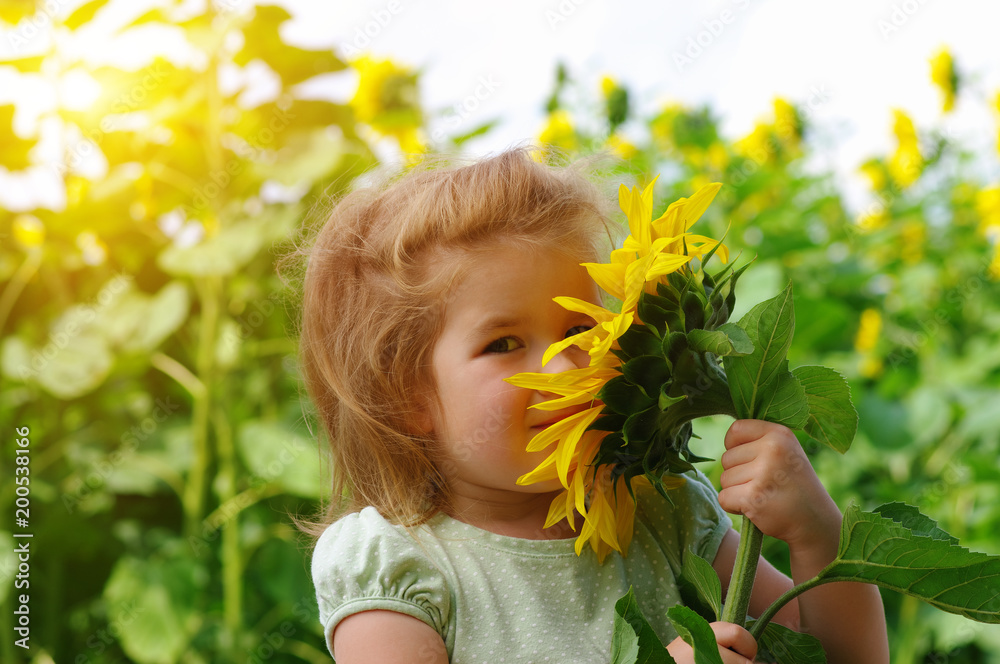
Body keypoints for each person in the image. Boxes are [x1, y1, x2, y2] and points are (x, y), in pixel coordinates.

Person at [297, 147, 889, 663]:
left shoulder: (666, 516)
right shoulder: (399, 564)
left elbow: (840, 660)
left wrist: (817, 534)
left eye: (584, 329)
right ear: (407, 397)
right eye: (503, 344)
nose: (565, 366)